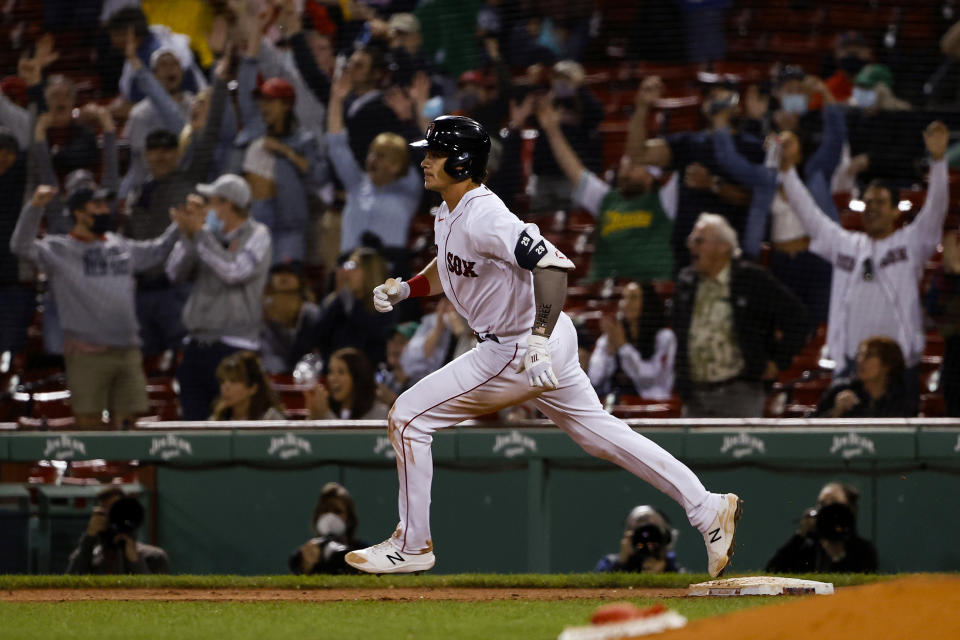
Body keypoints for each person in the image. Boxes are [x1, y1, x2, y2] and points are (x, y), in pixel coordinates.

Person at [344, 115, 742, 578]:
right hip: (540, 341)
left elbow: (552, 265)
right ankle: (707, 507)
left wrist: (537, 337)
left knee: (408, 418)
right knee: (604, 437)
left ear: (461, 160)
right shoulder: (451, 210)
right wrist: (408, 289)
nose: (425, 160)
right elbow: (451, 265)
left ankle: (412, 545)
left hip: (517, 347)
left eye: (434, 153)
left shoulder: (484, 214)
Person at [779, 121, 949, 414]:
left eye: (880, 202)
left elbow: (935, 209)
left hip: (898, 370)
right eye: (867, 202)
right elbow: (808, 213)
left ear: (897, 210)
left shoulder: (911, 242)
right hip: (849, 367)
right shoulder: (845, 244)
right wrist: (786, 171)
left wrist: (938, 161)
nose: (872, 208)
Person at [10, 183, 180, 428]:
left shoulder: (117, 244)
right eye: (97, 205)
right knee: (89, 425)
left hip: (127, 351)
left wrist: (179, 226)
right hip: (87, 353)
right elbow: (20, 246)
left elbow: (157, 252)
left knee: (128, 426)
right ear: (79, 212)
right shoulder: (60, 249)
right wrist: (35, 206)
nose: (105, 210)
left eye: (105, 204)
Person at [712, 74, 844, 325]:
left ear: (801, 148)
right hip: (780, 264)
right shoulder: (766, 179)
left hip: (816, 260)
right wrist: (720, 121)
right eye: (779, 142)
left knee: (821, 324)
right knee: (784, 325)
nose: (784, 145)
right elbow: (729, 160)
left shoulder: (817, 172)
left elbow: (835, 138)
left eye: (790, 142)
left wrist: (826, 95)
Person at [673, 213, 808, 418]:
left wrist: (779, 361)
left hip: (739, 393)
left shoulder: (751, 279)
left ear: (723, 246)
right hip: (695, 396)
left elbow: (797, 317)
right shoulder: (686, 282)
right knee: (690, 452)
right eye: (691, 240)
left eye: (699, 241)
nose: (692, 246)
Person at [165, 175, 272, 420]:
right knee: (193, 426)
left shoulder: (258, 234)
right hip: (197, 344)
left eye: (211, 202)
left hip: (235, 346)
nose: (208, 209)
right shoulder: (206, 235)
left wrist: (200, 234)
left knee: (232, 424)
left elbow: (234, 272)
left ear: (228, 205)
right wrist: (188, 235)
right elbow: (173, 272)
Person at [536, 97, 674, 282]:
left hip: (649, 293)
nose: (627, 170)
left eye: (635, 166)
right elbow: (575, 170)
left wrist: (641, 109)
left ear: (652, 176)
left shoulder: (666, 201)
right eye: (625, 166)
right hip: (603, 289)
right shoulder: (606, 198)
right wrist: (552, 130)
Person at [326, 71, 423, 258]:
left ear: (397, 164)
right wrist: (336, 101)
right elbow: (337, 145)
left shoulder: (408, 188)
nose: (372, 160)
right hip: (350, 271)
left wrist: (408, 119)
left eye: (381, 156)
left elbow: (428, 157)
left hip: (389, 276)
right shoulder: (356, 184)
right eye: (372, 154)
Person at [588, 282, 676, 402]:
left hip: (651, 403)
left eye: (633, 298)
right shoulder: (612, 334)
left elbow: (651, 380)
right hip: (616, 402)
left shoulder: (665, 337)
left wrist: (623, 347)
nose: (626, 303)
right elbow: (594, 379)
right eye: (624, 298)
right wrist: (610, 353)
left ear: (647, 303)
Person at [766, 482, 878, 573]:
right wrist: (800, 536)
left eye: (834, 503)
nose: (828, 510)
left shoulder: (863, 551)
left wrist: (838, 557)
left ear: (850, 509)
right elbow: (771, 573)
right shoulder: (807, 547)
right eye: (823, 504)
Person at [315, 248, 396, 366]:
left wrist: (350, 305)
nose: (346, 272)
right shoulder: (338, 302)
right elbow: (319, 338)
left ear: (370, 272)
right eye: (347, 266)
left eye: (353, 266)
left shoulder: (387, 303)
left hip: (367, 373)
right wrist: (338, 297)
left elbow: (373, 337)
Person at [66, 486, 170, 574]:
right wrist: (89, 537)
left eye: (116, 510)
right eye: (107, 510)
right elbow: (70, 586)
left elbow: (157, 593)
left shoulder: (154, 557)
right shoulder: (89, 555)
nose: (113, 517)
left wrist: (135, 560)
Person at [815, 336, 912, 418]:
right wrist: (836, 412)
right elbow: (809, 429)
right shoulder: (839, 390)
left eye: (868, 355)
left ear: (887, 364)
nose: (860, 360)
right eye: (859, 355)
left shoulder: (899, 398)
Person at [289, 482, 367, 575]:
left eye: (337, 511)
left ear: (349, 518)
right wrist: (307, 566)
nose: (330, 516)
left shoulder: (364, 551)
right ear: (317, 516)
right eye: (325, 511)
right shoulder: (305, 553)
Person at [260, 263, 322, 375]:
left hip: (303, 370)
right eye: (279, 273)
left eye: (290, 272)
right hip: (271, 370)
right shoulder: (262, 309)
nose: (284, 276)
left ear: (299, 279)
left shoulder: (310, 311)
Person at [399, 297, 475, 387]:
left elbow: (461, 331)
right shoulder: (432, 320)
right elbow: (425, 350)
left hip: (464, 366)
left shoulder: (464, 310)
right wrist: (439, 324)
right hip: (428, 380)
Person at [304, 347, 390, 420]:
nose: (332, 378)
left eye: (341, 372)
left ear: (357, 377)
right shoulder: (326, 408)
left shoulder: (379, 413)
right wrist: (313, 417)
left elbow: (349, 439)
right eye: (331, 371)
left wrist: (325, 415)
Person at [595, 505, 684, 573]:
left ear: (666, 538)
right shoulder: (610, 563)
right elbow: (596, 585)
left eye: (653, 534)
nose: (647, 542)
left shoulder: (673, 566)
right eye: (640, 534)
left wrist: (666, 570)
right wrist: (621, 563)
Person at [211, 351, 285, 421]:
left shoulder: (271, 419)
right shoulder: (217, 419)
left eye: (233, 381)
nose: (225, 387)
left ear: (253, 388)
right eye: (222, 381)